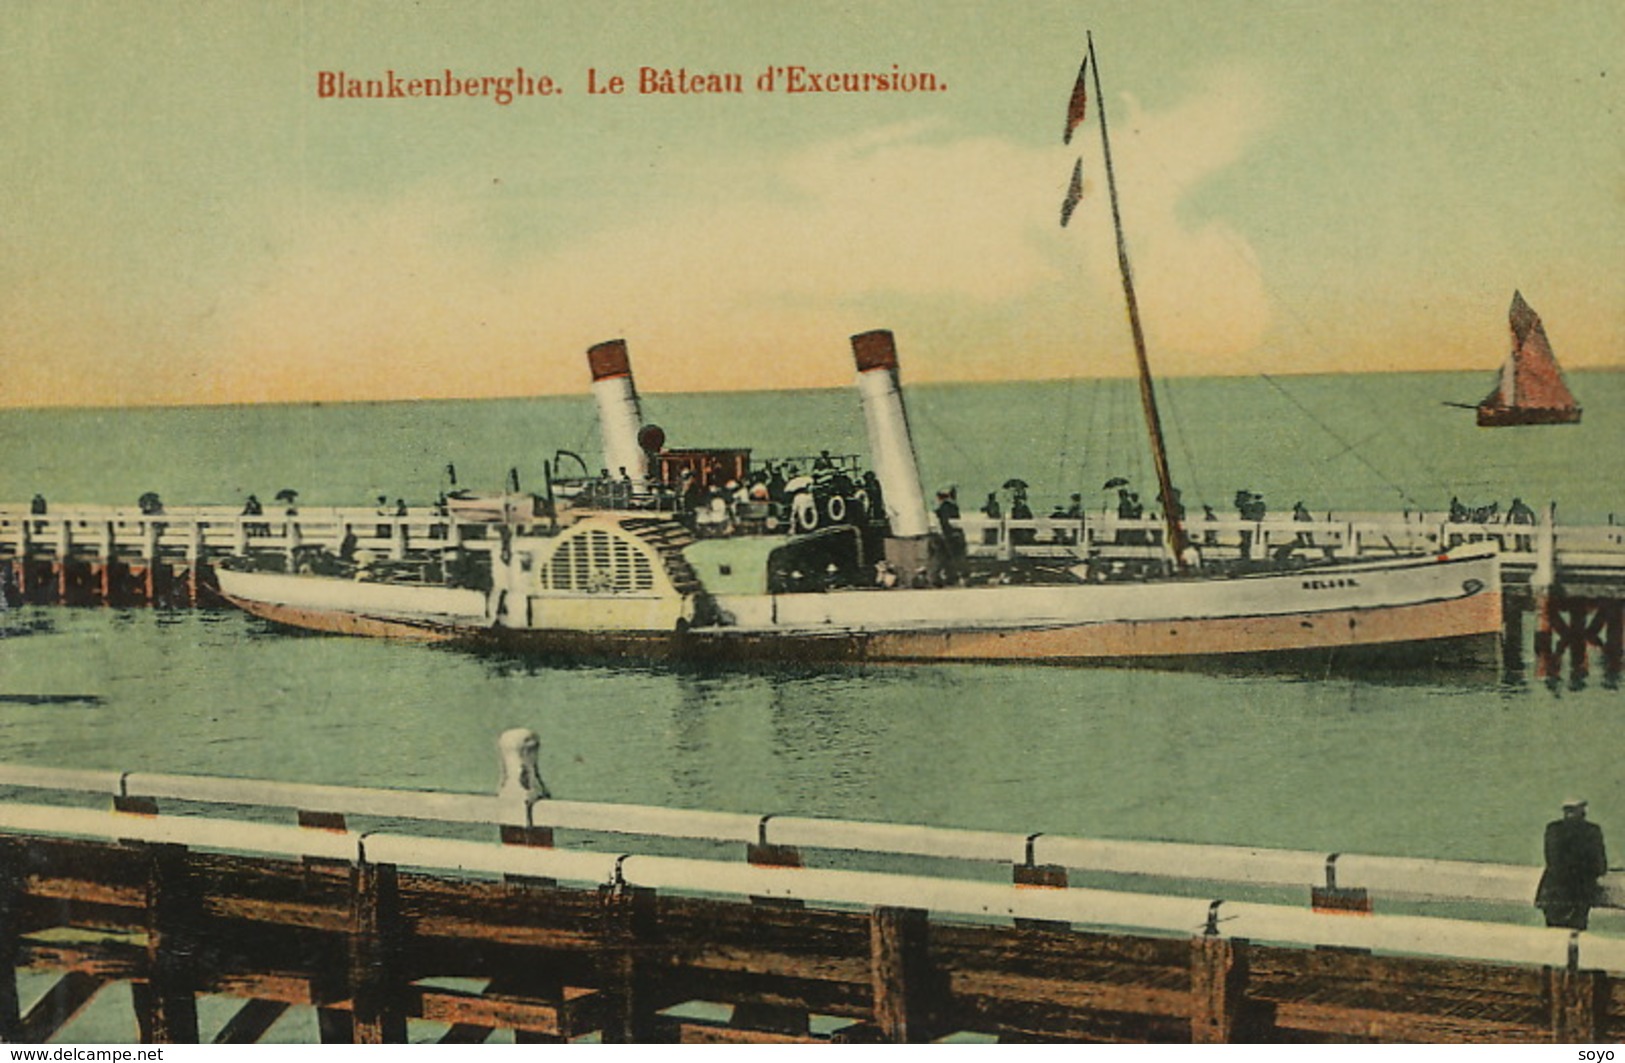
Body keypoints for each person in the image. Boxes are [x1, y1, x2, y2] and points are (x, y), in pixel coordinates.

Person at [1536, 798, 1609, 930]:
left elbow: (1551, 860)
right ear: (1583, 811)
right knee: (1575, 933)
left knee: (1554, 934)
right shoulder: (1592, 831)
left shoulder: (1553, 829)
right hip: (1580, 892)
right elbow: (1600, 866)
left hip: (1554, 893)